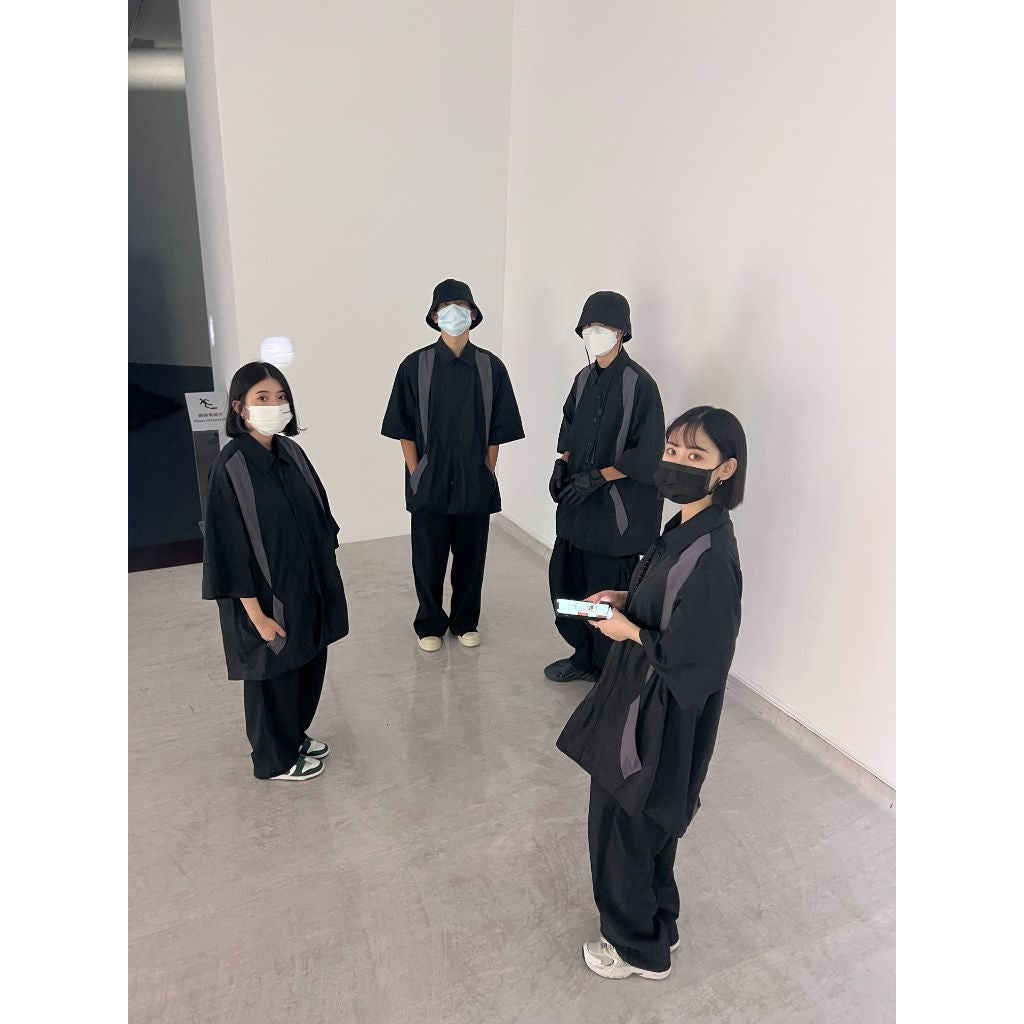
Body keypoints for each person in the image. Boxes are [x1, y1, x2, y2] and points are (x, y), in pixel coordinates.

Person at [556, 406, 747, 980]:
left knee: (624, 827)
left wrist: (630, 632)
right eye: (671, 450)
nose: (677, 463)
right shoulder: (686, 529)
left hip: (657, 714)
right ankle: (659, 922)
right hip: (640, 696)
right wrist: (625, 600)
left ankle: (636, 949)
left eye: (695, 455)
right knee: (647, 828)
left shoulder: (711, 556)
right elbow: (670, 608)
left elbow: (700, 660)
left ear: (725, 469)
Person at [202, 362, 349, 781]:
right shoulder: (231, 468)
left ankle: (293, 736)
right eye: (262, 398)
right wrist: (257, 617)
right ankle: (273, 759)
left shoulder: (291, 453)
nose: (275, 405)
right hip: (266, 597)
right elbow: (228, 552)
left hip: (306, 585)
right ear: (239, 407)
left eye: (281, 397)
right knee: (273, 676)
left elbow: (319, 516)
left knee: (306, 662)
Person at [381, 279, 525, 651]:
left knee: (471, 558)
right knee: (428, 557)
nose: (454, 313)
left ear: (474, 314)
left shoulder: (491, 367)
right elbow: (403, 427)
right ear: (434, 316)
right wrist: (416, 471)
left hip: (475, 479)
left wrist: (487, 469)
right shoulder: (415, 366)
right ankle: (429, 623)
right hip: (429, 479)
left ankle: (465, 621)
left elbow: (498, 430)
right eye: (446, 307)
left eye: (462, 306)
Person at [545, 291, 665, 684]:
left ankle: (607, 670)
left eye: (603, 327)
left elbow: (647, 454)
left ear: (622, 332)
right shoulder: (582, 380)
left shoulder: (639, 385)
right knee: (568, 585)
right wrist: (562, 466)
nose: (594, 334)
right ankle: (583, 657)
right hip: (577, 510)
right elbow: (568, 429)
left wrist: (598, 477)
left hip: (616, 516)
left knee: (605, 593)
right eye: (588, 327)